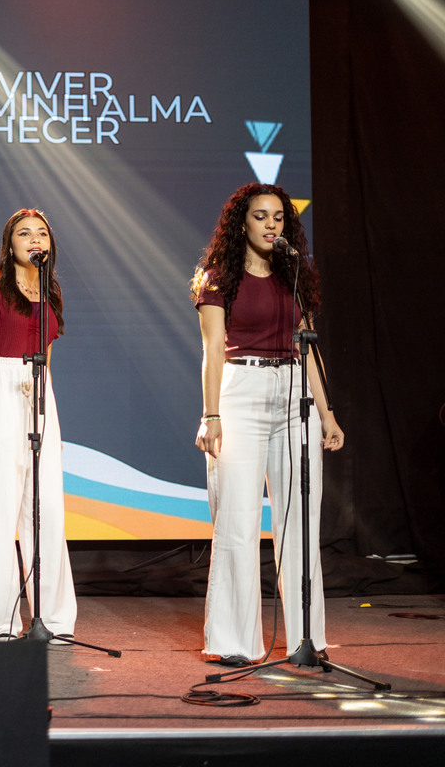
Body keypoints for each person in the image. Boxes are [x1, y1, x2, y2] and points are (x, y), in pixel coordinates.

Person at [192, 183, 344, 667]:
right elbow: (212, 351)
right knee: (236, 520)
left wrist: (327, 413)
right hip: (239, 392)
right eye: (261, 216)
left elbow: (308, 346)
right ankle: (235, 640)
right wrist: (211, 414)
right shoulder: (218, 277)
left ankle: (306, 638)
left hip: (293, 392)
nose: (271, 224)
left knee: (300, 521)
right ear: (242, 223)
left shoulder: (293, 274)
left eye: (278, 217)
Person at [0, 209, 77, 643]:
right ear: (10, 244)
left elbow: (49, 356)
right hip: (0, 385)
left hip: (40, 395)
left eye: (41, 233)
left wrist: (50, 418)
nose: (34, 239)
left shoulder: (50, 290)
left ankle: (52, 620)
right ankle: (0, 623)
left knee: (46, 511)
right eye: (25, 233)